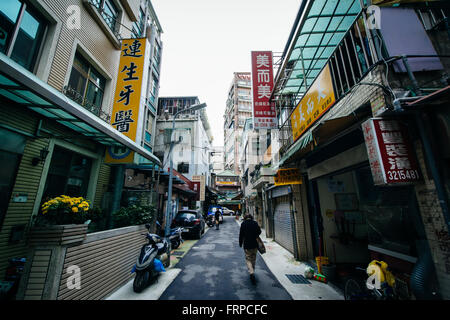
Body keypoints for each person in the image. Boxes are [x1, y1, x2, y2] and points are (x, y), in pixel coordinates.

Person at [239, 214, 261, 285]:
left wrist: (240, 242)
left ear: (245, 218)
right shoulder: (255, 223)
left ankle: (251, 272)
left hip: (247, 244)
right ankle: (252, 270)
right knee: (253, 258)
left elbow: (241, 234)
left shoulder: (243, 224)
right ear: (251, 217)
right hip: (254, 244)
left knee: (248, 258)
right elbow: (259, 232)